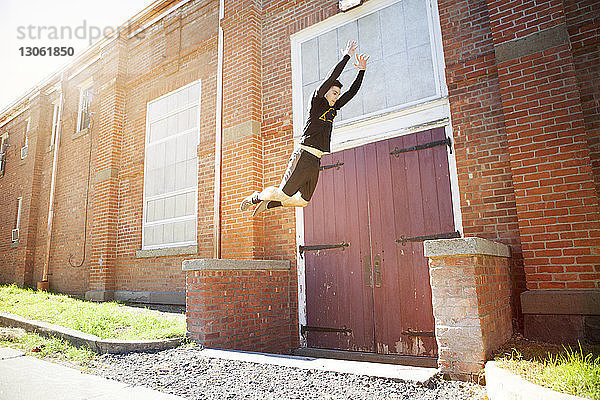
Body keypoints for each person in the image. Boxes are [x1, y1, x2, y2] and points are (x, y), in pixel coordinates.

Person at [240, 40, 369, 215]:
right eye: (334, 93)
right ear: (325, 92)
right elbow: (331, 77)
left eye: (338, 94)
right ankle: (255, 197)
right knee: (283, 193)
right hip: (303, 154)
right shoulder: (317, 101)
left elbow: (351, 93)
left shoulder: (334, 108)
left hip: (315, 159)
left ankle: (269, 205)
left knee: (302, 201)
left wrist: (361, 71)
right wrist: (346, 56)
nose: (336, 97)